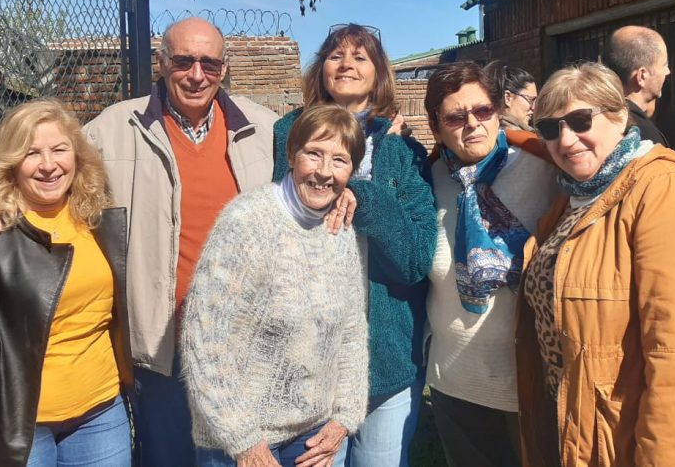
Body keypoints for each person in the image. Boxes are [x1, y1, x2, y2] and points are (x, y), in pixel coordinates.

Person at [0, 17, 278, 467]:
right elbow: (48, 170)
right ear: (162, 63)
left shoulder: (265, 130)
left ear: (223, 69)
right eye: (184, 61)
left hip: (240, 343)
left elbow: (315, 176)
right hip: (160, 346)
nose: (197, 74)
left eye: (209, 63)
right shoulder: (113, 128)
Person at [517, 61, 675, 467]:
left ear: (619, 115)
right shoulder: (575, 196)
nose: (566, 139)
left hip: (638, 440)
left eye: (580, 120)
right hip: (580, 429)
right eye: (549, 128)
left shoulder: (664, 192)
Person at [0, 99, 132, 467]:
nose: (48, 165)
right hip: (20, 426)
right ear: (11, 162)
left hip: (101, 414)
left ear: (77, 156)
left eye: (59, 150)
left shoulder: (97, 216)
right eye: (32, 153)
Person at [272, 23, 436, 467]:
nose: (346, 64)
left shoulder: (402, 150)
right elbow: (284, 233)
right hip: (313, 360)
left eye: (360, 57)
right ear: (321, 67)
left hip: (385, 357)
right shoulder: (288, 132)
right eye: (336, 55)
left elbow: (414, 260)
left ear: (378, 73)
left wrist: (364, 198)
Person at [183, 106, 369, 467]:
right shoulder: (246, 221)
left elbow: (351, 331)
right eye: (313, 154)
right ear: (291, 155)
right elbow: (204, 338)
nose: (324, 172)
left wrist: (345, 417)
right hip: (235, 440)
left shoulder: (338, 228)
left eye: (340, 160)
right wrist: (245, 443)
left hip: (312, 438)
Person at [423, 62, 560, 467]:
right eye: (456, 117)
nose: (473, 125)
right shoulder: (426, 180)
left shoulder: (544, 167)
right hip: (453, 382)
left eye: (482, 111)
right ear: (437, 127)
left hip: (531, 383)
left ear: (498, 110)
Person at [603, 25, 670, 144]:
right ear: (642, 76)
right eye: (664, 65)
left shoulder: (598, 120)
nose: (668, 71)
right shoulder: (643, 139)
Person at [484, 60, 538, 131]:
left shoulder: (489, 132)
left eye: (536, 101)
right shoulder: (518, 139)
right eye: (531, 100)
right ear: (508, 98)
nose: (534, 107)